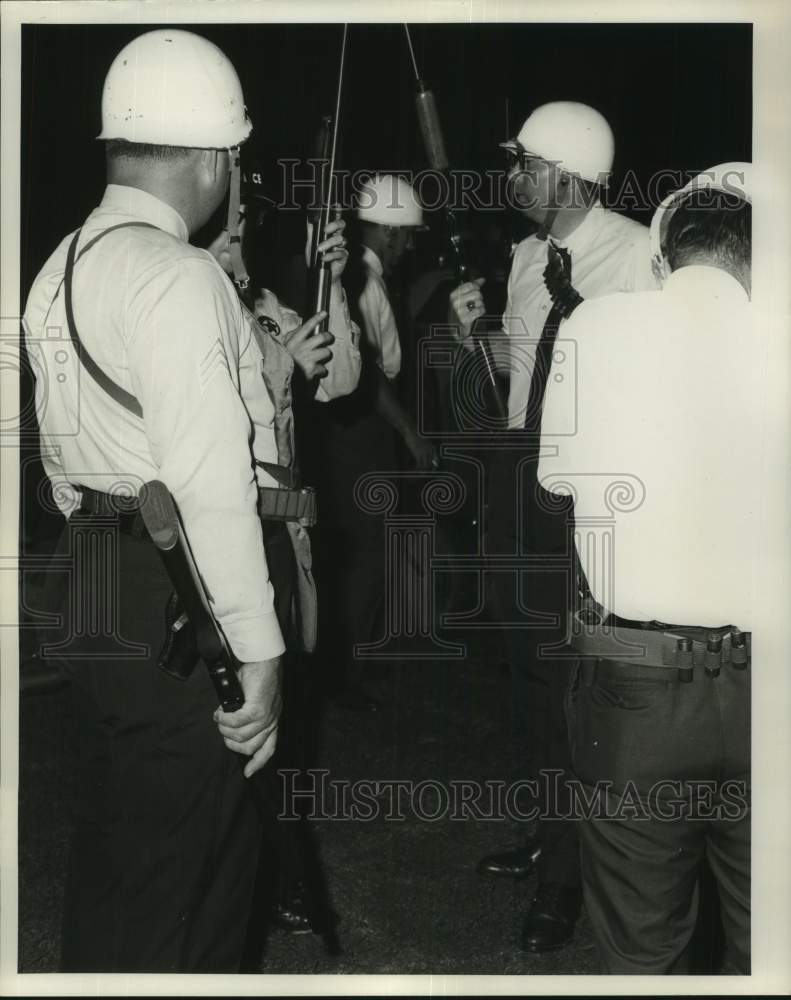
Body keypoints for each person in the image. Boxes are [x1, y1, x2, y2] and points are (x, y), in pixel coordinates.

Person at [22, 28, 352, 972]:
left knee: (118, 855)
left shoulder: (64, 259)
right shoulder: (180, 275)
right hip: (177, 591)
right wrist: (259, 650)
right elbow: (210, 484)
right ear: (214, 158)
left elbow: (52, 450)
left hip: (92, 571)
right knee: (193, 883)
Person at [448, 101, 659, 952]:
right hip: (518, 480)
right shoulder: (525, 255)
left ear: (567, 176)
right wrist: (476, 340)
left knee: (577, 682)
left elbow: (647, 385)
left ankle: (572, 876)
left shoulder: (639, 254)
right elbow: (516, 378)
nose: (511, 179)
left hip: (588, 490)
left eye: (524, 165)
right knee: (530, 672)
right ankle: (551, 830)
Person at [537, 164, 754, 974]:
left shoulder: (595, 325)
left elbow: (554, 479)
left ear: (662, 259)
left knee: (642, 949)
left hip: (636, 690)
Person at [205, 168, 360, 940]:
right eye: (228, 236)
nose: (239, 250)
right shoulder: (195, 306)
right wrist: (282, 366)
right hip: (234, 536)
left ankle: (279, 876)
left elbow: (342, 377)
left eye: (242, 237)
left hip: (283, 541)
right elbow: (223, 419)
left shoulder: (264, 307)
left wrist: (342, 276)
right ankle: (272, 879)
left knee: (285, 712)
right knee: (244, 718)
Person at [314, 173, 437, 710]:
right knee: (364, 550)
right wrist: (410, 434)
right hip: (360, 429)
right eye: (405, 234)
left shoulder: (366, 274)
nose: (409, 244)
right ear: (388, 230)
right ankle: (348, 675)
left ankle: (351, 663)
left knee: (362, 547)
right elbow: (370, 374)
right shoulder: (360, 278)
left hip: (357, 428)